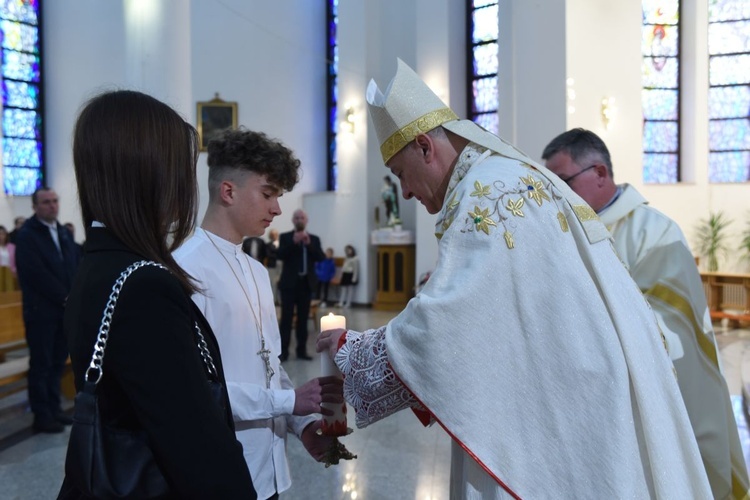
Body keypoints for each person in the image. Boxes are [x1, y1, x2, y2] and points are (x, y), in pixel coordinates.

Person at [317, 59, 711, 498]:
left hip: (560, 401)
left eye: (399, 174)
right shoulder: (506, 175)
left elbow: (450, 323)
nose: (404, 192)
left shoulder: (485, 193)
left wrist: (357, 352)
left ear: (425, 147)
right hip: (575, 383)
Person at [59, 90, 255, 498]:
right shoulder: (145, 286)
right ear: (146, 175)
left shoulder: (98, 264)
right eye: (177, 170)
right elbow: (196, 446)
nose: (182, 186)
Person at [542, 128, 750, 499]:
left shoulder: (656, 232)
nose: (555, 194)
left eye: (562, 181)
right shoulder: (560, 233)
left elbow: (672, 326)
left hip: (645, 393)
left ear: (600, 173)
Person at [174, 128, 342, 500]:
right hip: (219, 470)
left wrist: (303, 424)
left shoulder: (257, 271)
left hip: (270, 468)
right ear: (228, 191)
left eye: (279, 197)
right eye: (268, 194)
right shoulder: (184, 271)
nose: (277, 208)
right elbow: (193, 394)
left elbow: (271, 367)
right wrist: (288, 401)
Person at [15, 188, 81, 433]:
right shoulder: (27, 235)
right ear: (35, 207)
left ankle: (55, 410)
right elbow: (35, 273)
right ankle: (41, 416)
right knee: (41, 365)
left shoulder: (62, 231)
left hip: (63, 311)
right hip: (40, 312)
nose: (52, 206)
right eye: (46, 202)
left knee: (56, 363)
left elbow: (74, 265)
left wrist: (75, 294)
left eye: (55, 201)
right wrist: (65, 296)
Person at [278, 209, 325, 361]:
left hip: (306, 285)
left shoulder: (314, 239)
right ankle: (283, 351)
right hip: (289, 285)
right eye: (296, 217)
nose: (299, 220)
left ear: (306, 220)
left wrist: (308, 244)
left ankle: (301, 351)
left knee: (303, 320)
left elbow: (320, 257)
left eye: (302, 218)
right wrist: (294, 242)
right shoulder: (285, 237)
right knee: (286, 319)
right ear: (293, 220)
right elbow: (280, 255)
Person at [266, 228, 281, 304]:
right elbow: (268, 254)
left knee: (281, 283)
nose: (274, 236)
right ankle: (274, 300)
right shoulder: (268, 245)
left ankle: (280, 300)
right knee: (273, 284)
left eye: (275, 235)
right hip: (272, 266)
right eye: (272, 235)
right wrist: (278, 254)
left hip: (281, 266)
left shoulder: (282, 244)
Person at [0, 225, 16, 291]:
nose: (1, 236)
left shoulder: (12, 247)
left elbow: (16, 261)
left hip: (11, 274)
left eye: (3, 234)